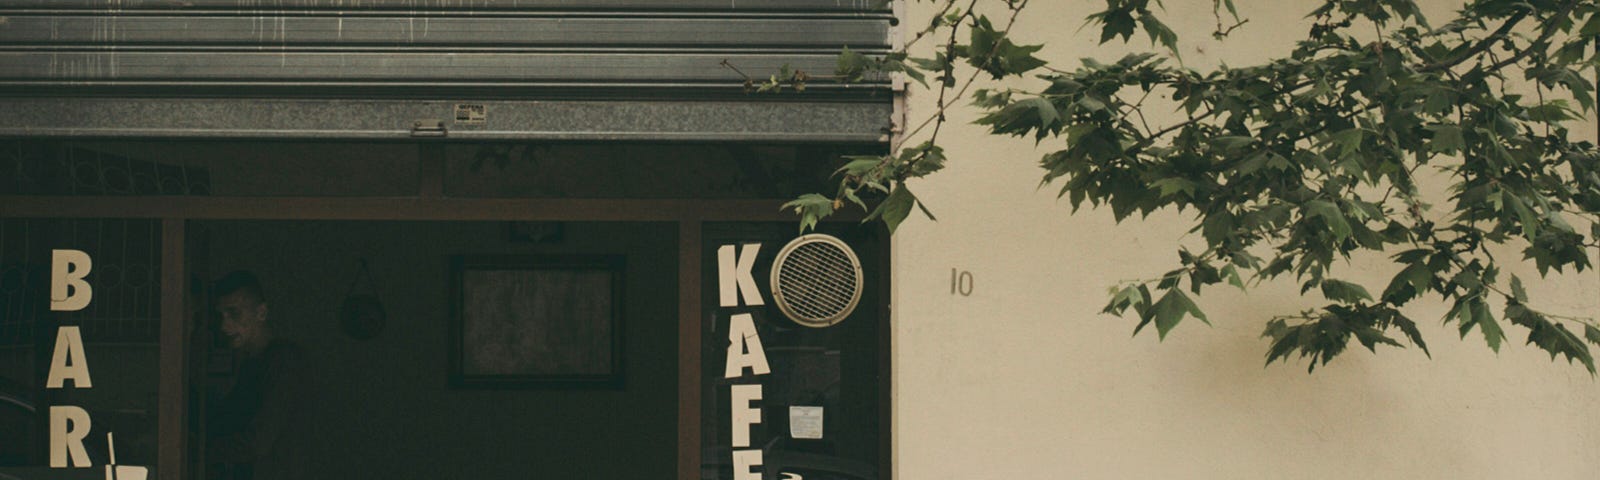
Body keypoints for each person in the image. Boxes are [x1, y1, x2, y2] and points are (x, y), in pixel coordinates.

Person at [207, 271, 311, 480]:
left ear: (261, 312)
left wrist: (199, 450)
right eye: (221, 316)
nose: (224, 326)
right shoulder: (252, 364)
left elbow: (258, 442)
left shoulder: (284, 361)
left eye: (234, 313)